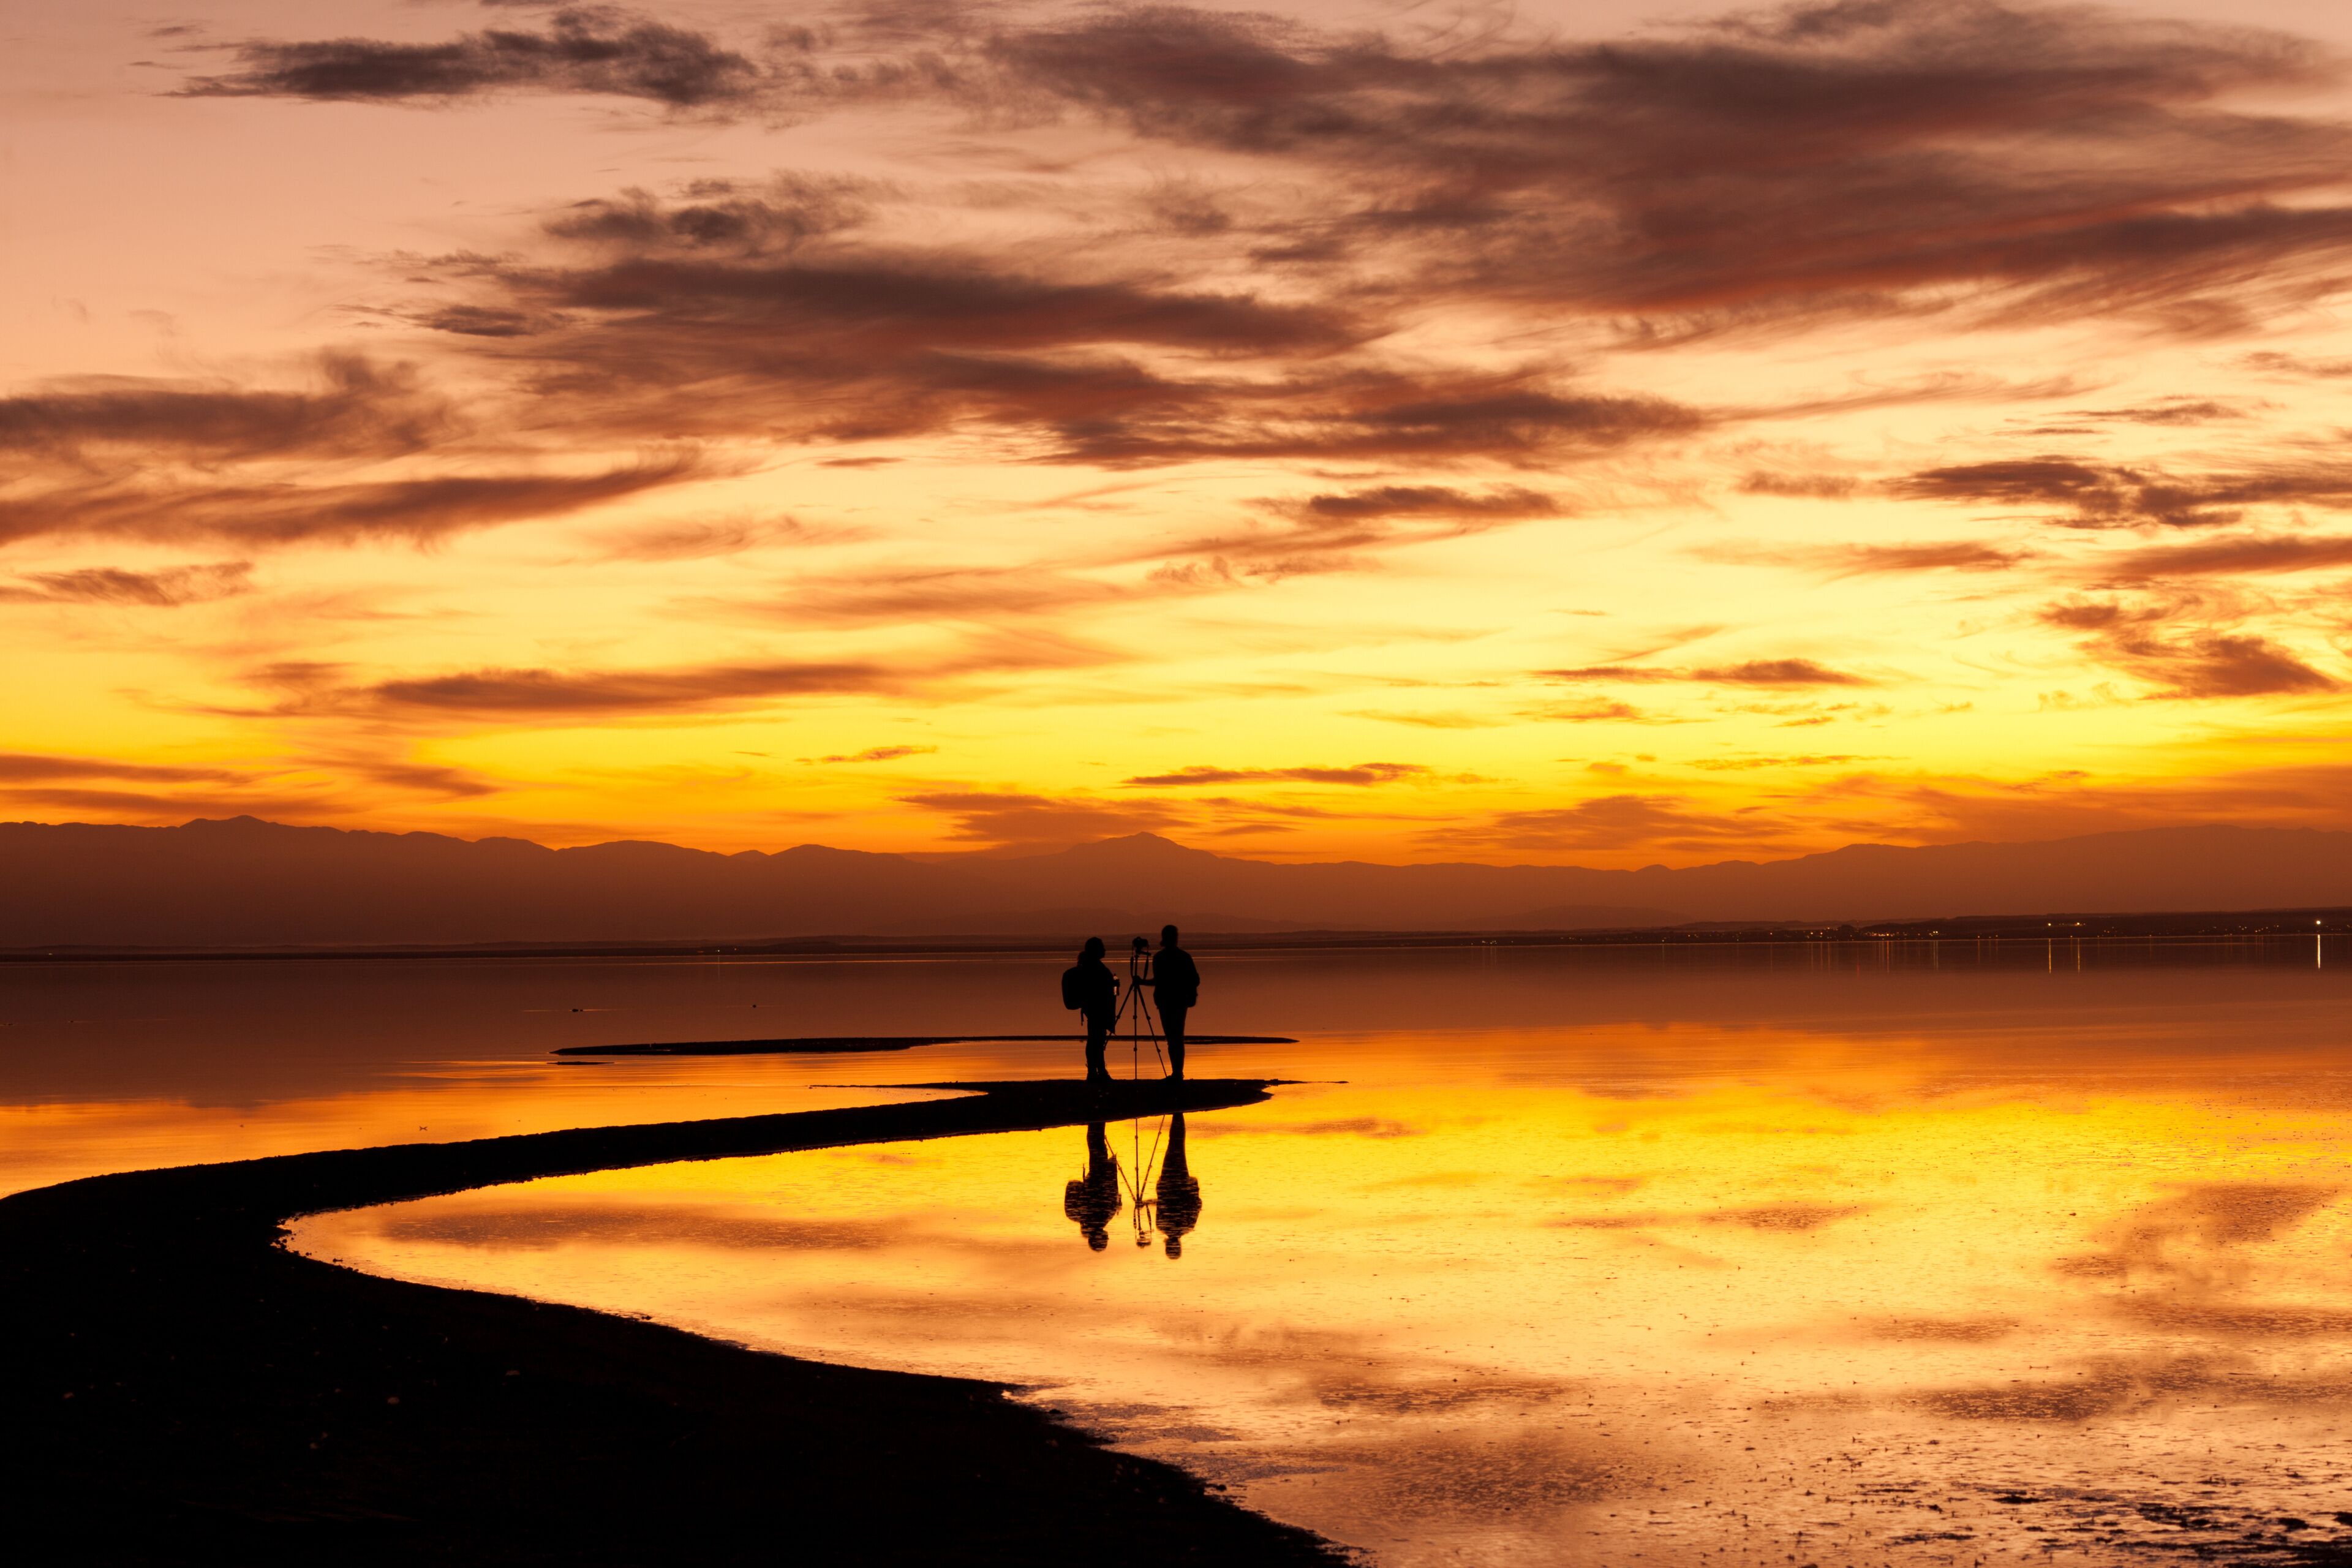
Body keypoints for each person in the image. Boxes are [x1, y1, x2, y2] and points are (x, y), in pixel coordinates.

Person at [1062, 937, 1118, 1082]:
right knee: (1097, 1039)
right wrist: (1116, 986)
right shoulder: (1098, 969)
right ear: (1096, 950)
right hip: (1097, 1008)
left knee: (1096, 1038)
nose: (1105, 950)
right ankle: (1097, 1072)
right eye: (1102, 947)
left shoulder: (1088, 967)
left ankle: (1095, 1071)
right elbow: (1111, 993)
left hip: (1091, 1008)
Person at [1148, 924, 1200, 1080]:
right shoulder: (1184, 957)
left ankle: (1177, 1072)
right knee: (1177, 1037)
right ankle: (1178, 1072)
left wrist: (1142, 982)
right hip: (1178, 1001)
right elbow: (1195, 980)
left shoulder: (1159, 958)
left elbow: (1158, 981)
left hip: (1167, 1002)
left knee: (1172, 1037)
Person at [1062, 1122, 1121, 1251]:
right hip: (1096, 1175)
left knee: (1097, 1145)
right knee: (1096, 1144)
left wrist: (1111, 1166)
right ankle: (1097, 1121)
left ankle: (1097, 1121)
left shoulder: (1107, 1215)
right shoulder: (1084, 1218)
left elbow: (1113, 1189)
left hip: (1100, 1174)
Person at [1154, 1111, 1202, 1259]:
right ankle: (1177, 1113)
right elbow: (1161, 1201)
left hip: (1181, 1182)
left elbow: (1196, 1203)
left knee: (1177, 1146)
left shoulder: (1188, 1226)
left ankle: (1177, 1114)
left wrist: (1193, 1185)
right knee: (1175, 1145)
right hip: (1168, 1181)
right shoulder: (1161, 1225)